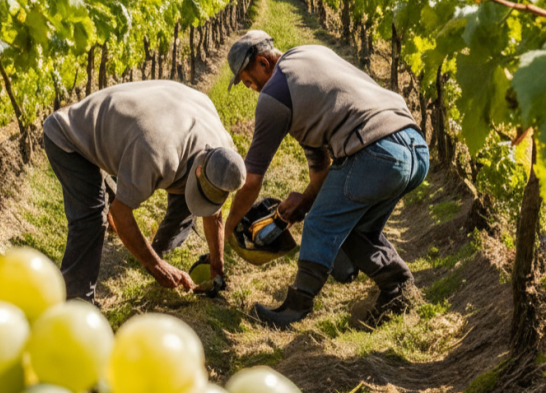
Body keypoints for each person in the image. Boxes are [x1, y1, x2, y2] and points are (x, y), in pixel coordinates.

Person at [222, 31, 429, 329]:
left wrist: (229, 229)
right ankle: (399, 290)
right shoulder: (308, 56)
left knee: (322, 223)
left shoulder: (274, 96)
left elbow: (252, 179)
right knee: (355, 229)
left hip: (375, 151)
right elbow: (321, 169)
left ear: (264, 62)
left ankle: (295, 308)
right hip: (414, 147)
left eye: (248, 80)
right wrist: (304, 202)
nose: (251, 88)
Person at [43, 80, 246, 303]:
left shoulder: (224, 152)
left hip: (130, 128)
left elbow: (213, 210)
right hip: (68, 136)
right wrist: (156, 266)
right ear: (198, 170)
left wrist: (216, 263)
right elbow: (121, 214)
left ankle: (155, 242)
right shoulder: (156, 153)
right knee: (92, 219)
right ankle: (76, 303)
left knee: (179, 194)